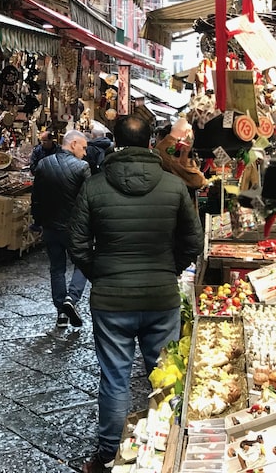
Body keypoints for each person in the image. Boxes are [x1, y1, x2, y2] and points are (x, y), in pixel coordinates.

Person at [68, 115, 203, 473]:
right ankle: (170, 450)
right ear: (149, 144)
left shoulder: (94, 186)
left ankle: (110, 454)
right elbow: (193, 241)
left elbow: (77, 243)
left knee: (114, 378)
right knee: (166, 376)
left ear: (115, 144)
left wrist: (100, 273)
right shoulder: (173, 187)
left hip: (112, 301)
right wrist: (170, 269)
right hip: (161, 298)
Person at [31, 130, 91, 328]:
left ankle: (61, 313)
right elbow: (87, 200)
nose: (85, 152)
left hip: (50, 226)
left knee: (56, 268)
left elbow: (36, 197)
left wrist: (37, 222)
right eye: (83, 147)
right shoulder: (82, 167)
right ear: (73, 144)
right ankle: (71, 300)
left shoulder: (43, 164)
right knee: (83, 263)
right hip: (74, 228)